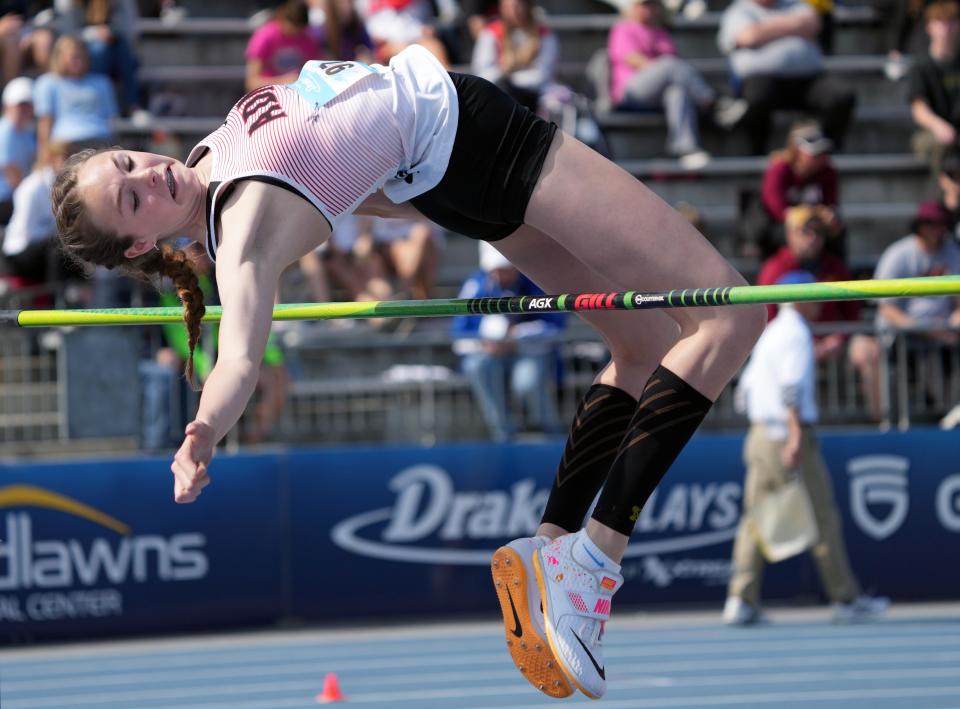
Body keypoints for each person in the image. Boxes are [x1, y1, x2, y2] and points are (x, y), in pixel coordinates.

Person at [52, 44, 766, 699]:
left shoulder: (208, 162)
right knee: (731, 315)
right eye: (132, 199)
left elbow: (338, 154)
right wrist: (203, 430)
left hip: (448, 174)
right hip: (480, 145)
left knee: (640, 344)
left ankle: (550, 547)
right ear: (142, 240)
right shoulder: (240, 229)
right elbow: (239, 353)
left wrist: (405, 174)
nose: (146, 174)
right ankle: (595, 562)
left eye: (126, 162)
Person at [724, 270, 889, 626]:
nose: (818, 301)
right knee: (822, 519)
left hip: (761, 434)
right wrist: (795, 434)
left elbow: (745, 392)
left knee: (755, 520)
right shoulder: (795, 333)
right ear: (799, 297)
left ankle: (741, 599)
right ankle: (845, 599)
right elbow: (791, 388)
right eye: (813, 293)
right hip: (786, 436)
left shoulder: (771, 333)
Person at [757, 205, 882, 419]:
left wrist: (838, 339)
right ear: (789, 234)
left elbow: (852, 315)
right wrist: (804, 342)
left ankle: (880, 423)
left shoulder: (835, 267)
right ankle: (781, 424)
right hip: (791, 345)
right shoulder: (774, 269)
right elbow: (765, 320)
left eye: (818, 232)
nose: (813, 238)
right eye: (805, 231)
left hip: (831, 343)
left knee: (869, 350)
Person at [608, 0, 746, 169]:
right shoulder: (623, 28)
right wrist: (662, 69)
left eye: (652, 4)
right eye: (644, 4)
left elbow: (675, 66)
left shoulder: (660, 32)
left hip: (658, 93)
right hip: (631, 91)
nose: (649, 9)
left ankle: (684, 148)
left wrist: (665, 69)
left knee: (677, 91)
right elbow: (632, 58)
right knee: (670, 65)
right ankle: (713, 103)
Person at [451, 241, 564, 441]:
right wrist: (483, 343)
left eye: (505, 270)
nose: (499, 276)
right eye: (494, 270)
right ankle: (503, 434)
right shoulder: (476, 284)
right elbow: (458, 333)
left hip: (531, 351)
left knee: (526, 383)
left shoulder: (536, 282)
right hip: (490, 354)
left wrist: (516, 336)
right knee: (478, 366)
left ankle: (549, 435)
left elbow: (555, 326)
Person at [717, 0, 856, 155]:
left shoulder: (796, 4)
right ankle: (758, 153)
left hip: (808, 80)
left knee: (841, 96)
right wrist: (793, 24)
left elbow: (813, 23)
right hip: (762, 81)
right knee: (757, 98)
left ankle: (825, 153)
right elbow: (749, 37)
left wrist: (764, 29)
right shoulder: (739, 10)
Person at [34, 34, 117, 160]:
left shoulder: (102, 82)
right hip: (65, 143)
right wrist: (44, 155)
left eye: (81, 57)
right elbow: (45, 122)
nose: (78, 61)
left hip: (99, 140)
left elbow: (111, 119)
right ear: (60, 58)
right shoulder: (48, 83)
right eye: (73, 57)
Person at [471, 0, 558, 113]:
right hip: (501, 94)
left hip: (534, 96)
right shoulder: (491, 33)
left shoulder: (543, 34)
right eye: (508, 6)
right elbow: (482, 73)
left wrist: (512, 77)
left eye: (518, 5)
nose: (514, 11)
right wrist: (503, 71)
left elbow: (543, 74)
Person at [908, 0, 960, 178]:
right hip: (931, 134)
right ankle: (941, 197)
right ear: (929, 27)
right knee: (940, 143)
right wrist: (938, 126)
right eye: (941, 23)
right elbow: (918, 108)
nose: (946, 29)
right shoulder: (922, 65)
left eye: (951, 22)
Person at [245, 0, 325, 91]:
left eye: (299, 31)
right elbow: (251, 83)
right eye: (292, 29)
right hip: (268, 93)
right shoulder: (264, 36)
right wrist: (284, 81)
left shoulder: (307, 39)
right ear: (283, 20)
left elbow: (318, 72)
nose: (295, 35)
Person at [0, 76, 36, 225]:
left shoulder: (27, 131)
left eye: (28, 104)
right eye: (20, 104)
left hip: (14, 197)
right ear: (8, 105)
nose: (24, 109)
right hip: (6, 200)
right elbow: (11, 172)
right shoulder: (5, 130)